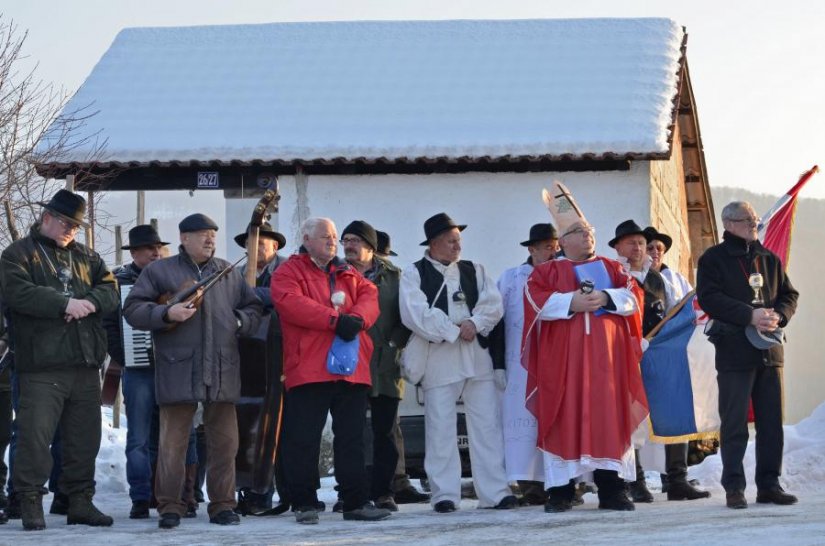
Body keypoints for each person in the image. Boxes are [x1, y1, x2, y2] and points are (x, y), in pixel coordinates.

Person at [123, 213, 262, 529]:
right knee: (173, 444)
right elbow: (132, 309)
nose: (210, 239)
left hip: (222, 369)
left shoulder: (227, 271)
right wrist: (166, 312)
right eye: (202, 234)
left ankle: (223, 505)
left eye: (212, 233)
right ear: (184, 238)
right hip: (178, 369)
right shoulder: (160, 271)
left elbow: (253, 308)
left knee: (225, 443)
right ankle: (170, 506)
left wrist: (241, 321)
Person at [522, 185, 647, 513]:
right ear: (563, 242)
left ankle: (612, 489)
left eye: (589, 230)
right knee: (563, 417)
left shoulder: (612, 268)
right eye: (579, 231)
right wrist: (570, 302)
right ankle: (561, 492)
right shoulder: (547, 271)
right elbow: (535, 300)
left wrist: (607, 298)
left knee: (610, 418)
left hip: (607, 362)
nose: (588, 236)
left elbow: (635, 296)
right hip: (563, 363)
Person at [0, 190, 118, 530]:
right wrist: (62, 304)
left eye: (76, 225)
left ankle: (80, 501)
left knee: (85, 438)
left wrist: (90, 302)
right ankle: (30, 501)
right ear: (47, 217)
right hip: (41, 363)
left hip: (84, 362)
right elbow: (17, 292)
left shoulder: (88, 257)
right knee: (35, 437)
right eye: (65, 222)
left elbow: (111, 290)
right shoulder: (17, 254)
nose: (71, 230)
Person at [272, 217, 391, 525]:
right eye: (325, 236)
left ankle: (355, 501)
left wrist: (357, 320)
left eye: (335, 236)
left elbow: (370, 296)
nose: (332, 241)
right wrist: (335, 320)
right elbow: (290, 303)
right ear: (307, 238)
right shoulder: (289, 271)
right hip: (308, 368)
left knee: (352, 438)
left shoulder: (348, 272)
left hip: (350, 369)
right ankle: (304, 502)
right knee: (304, 438)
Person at [399, 213, 516, 514]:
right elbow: (414, 313)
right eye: (451, 241)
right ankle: (444, 494)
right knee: (439, 428)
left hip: (476, 355)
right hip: (440, 357)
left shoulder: (474, 269)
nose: (457, 246)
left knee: (487, 425)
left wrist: (474, 323)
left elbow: (493, 305)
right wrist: (453, 330)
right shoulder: (414, 273)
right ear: (435, 243)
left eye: (458, 240)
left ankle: (494, 492)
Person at [696, 201, 799, 509]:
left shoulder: (769, 258)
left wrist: (778, 316)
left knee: (771, 424)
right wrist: (749, 315)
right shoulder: (713, 259)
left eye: (755, 219)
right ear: (728, 224)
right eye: (747, 220)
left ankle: (769, 485)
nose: (754, 224)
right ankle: (734, 488)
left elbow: (789, 295)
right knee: (735, 423)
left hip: (769, 351)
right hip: (734, 351)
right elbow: (709, 297)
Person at [611, 220, 709, 503]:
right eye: (633, 243)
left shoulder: (660, 280)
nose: (640, 248)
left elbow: (674, 314)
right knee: (632, 417)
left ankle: (677, 479)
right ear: (619, 247)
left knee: (673, 408)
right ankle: (635, 480)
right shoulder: (615, 277)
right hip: (625, 355)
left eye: (642, 243)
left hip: (659, 355)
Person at [341, 221, 411, 512]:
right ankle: (352, 493)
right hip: (346, 363)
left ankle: (384, 491)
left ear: (370, 247)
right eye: (345, 239)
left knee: (384, 432)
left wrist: (394, 345)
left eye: (355, 240)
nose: (349, 245)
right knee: (350, 433)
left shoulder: (396, 278)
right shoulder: (335, 275)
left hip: (384, 364)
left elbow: (407, 317)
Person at [491, 223, 558, 506]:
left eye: (555, 246)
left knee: (556, 420)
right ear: (531, 250)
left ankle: (563, 483)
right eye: (545, 247)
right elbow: (495, 321)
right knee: (525, 425)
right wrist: (497, 364)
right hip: (520, 365)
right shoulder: (510, 279)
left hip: (557, 361)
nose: (552, 252)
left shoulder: (565, 275)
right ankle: (531, 485)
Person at [232, 221, 290, 514]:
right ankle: (252, 492)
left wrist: (252, 296)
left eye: (261, 244)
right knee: (248, 428)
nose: (254, 250)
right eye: (249, 245)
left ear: (275, 246)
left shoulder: (287, 270)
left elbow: (284, 299)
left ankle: (285, 491)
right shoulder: (238, 274)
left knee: (281, 429)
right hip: (249, 360)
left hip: (282, 357)